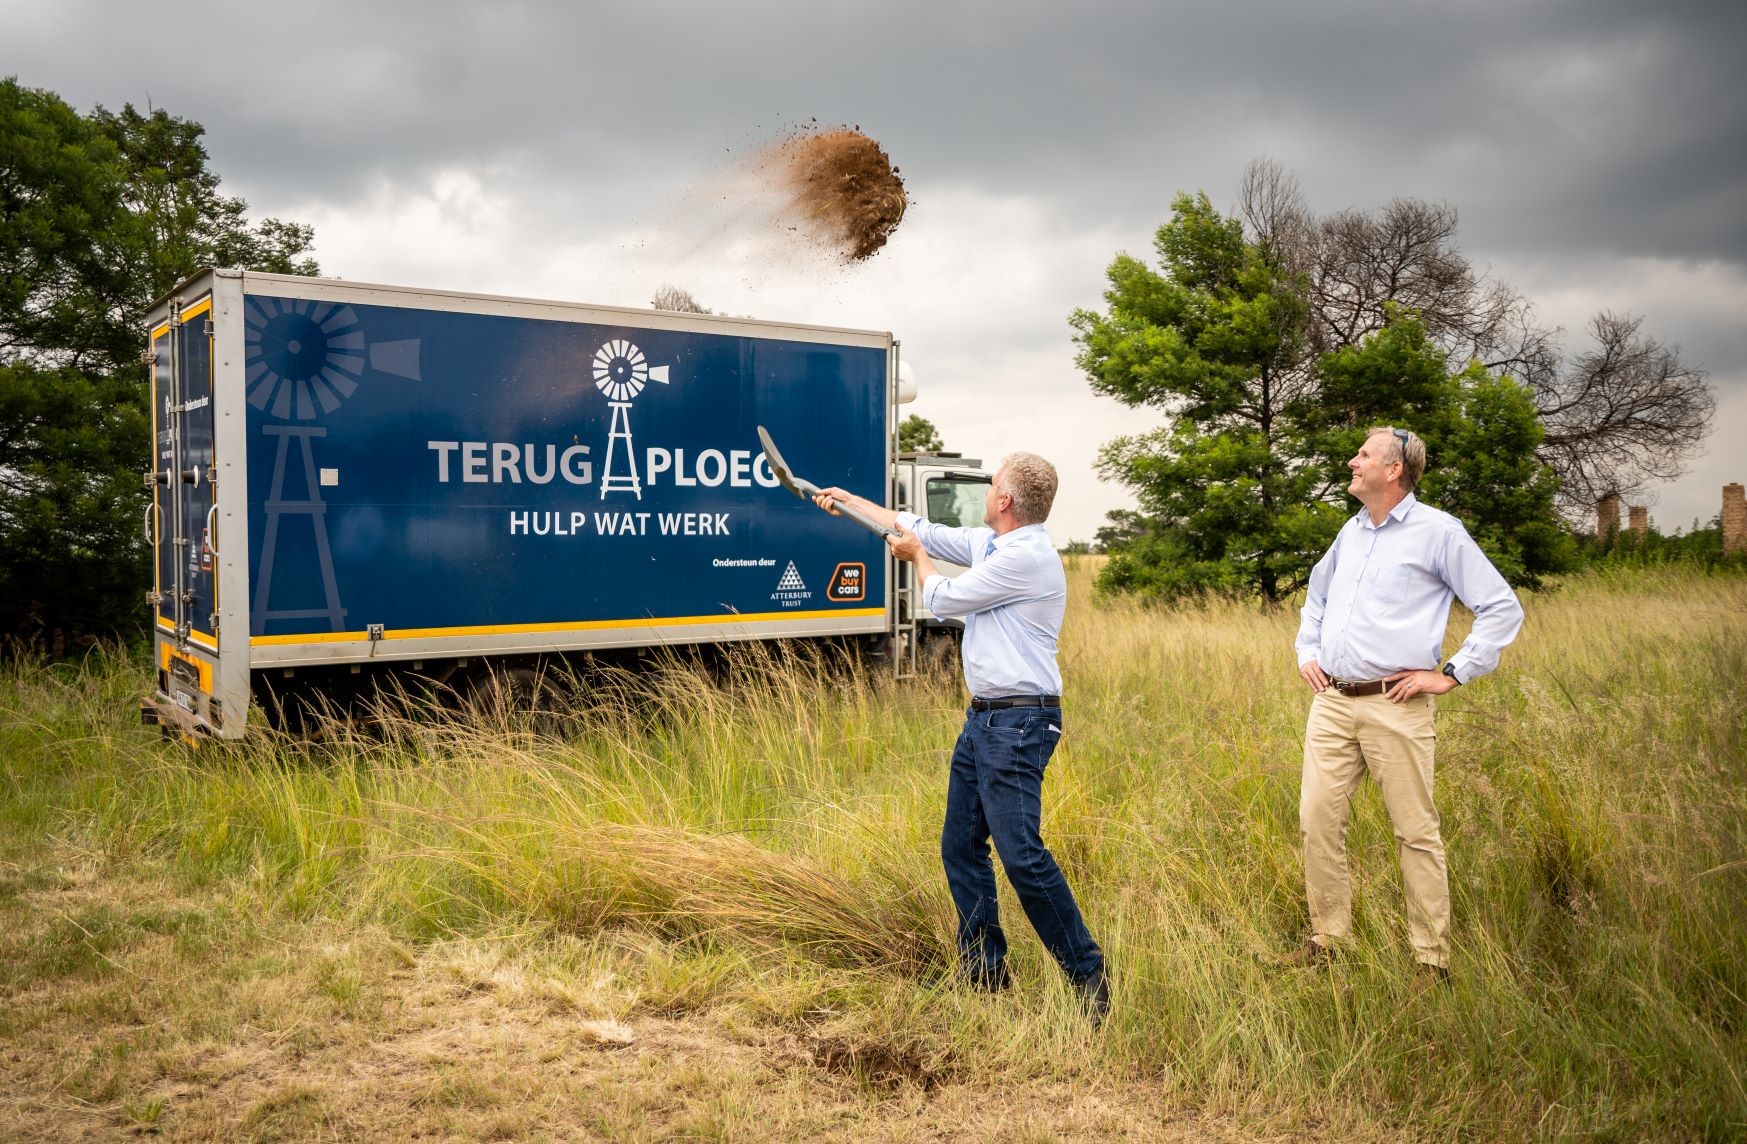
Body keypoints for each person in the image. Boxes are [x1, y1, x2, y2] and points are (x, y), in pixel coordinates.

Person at [812, 453, 1108, 1024]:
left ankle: (1088, 976)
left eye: (992, 485)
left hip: (1018, 724)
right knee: (961, 845)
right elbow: (917, 527)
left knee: (1022, 856)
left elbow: (942, 598)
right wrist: (847, 501)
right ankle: (983, 973)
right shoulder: (994, 544)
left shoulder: (1025, 557)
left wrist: (918, 561)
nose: (987, 492)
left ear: (1006, 501)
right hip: (985, 721)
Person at [1288, 426, 1524, 982]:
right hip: (1332, 701)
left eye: (1363, 454)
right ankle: (1329, 940)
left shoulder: (1439, 532)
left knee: (1415, 832)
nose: (1352, 461)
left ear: (1394, 470)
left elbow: (1501, 607)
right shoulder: (1350, 532)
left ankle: (1431, 959)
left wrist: (1452, 674)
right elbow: (1317, 596)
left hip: (1395, 703)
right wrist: (1307, 650)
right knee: (1317, 820)